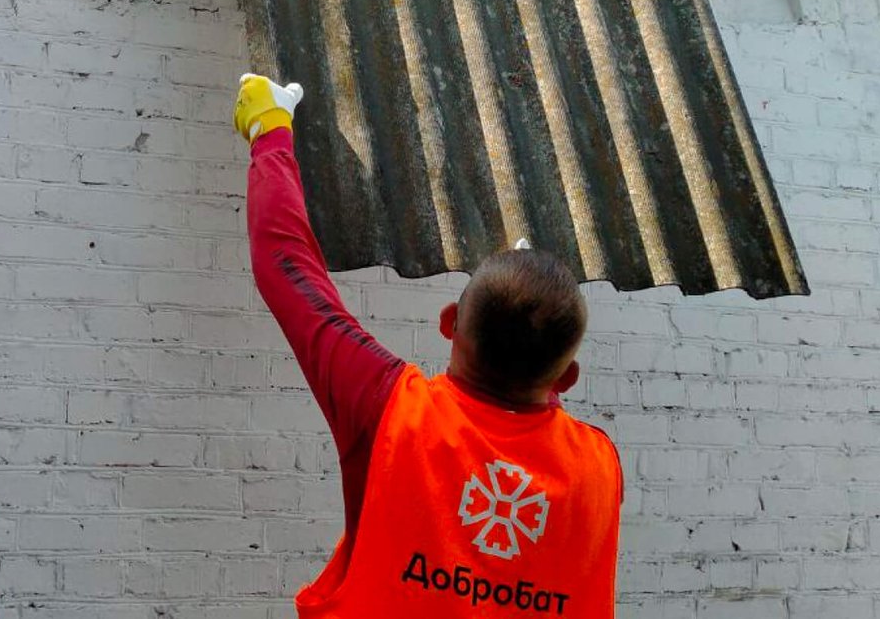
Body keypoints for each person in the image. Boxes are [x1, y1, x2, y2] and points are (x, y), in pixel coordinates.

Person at [234, 72, 622, 616]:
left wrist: (270, 128)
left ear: (449, 323)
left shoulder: (392, 414)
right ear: (566, 377)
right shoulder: (601, 466)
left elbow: (286, 265)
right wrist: (528, 299)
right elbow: (531, 411)